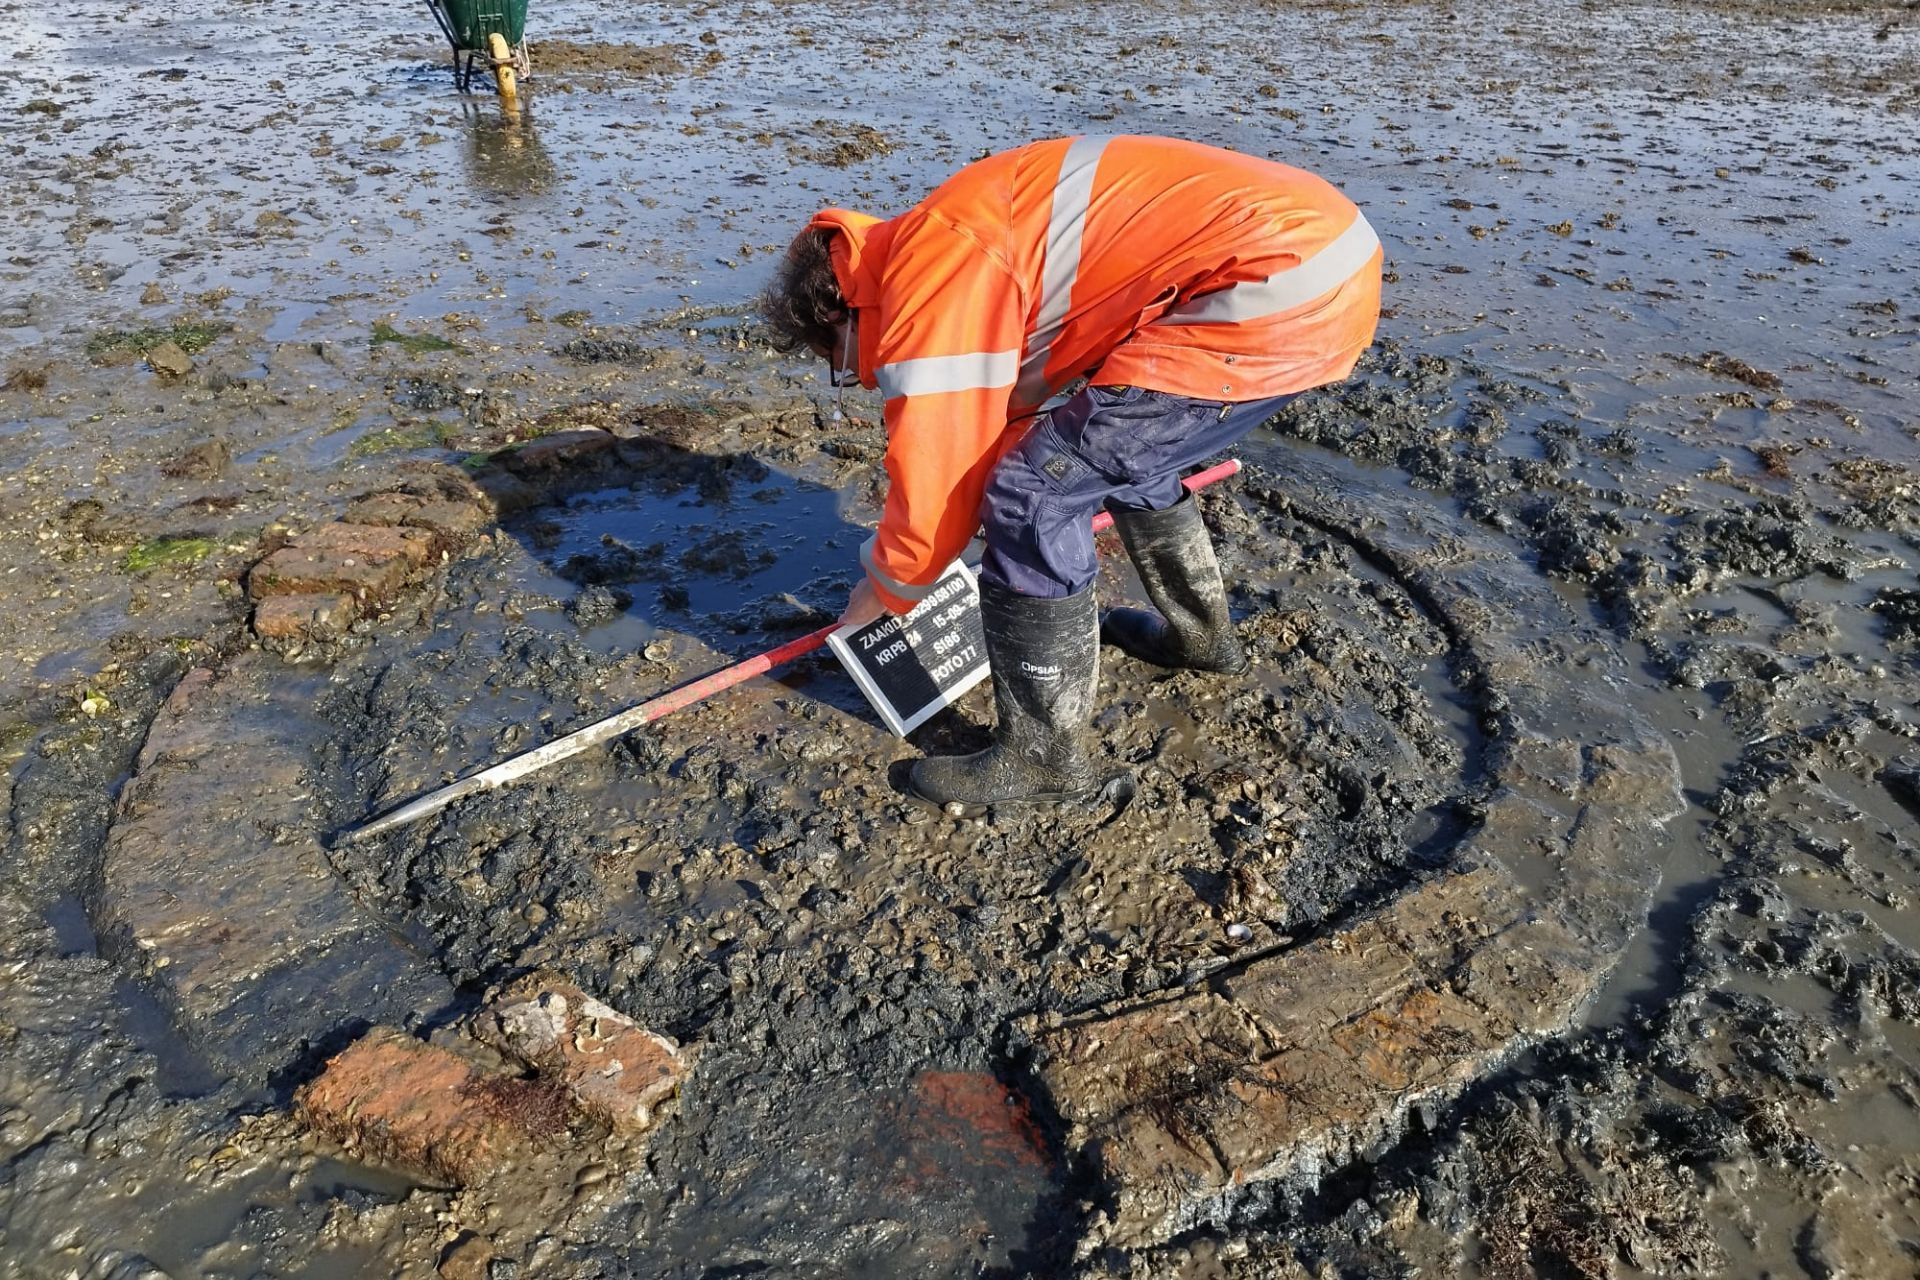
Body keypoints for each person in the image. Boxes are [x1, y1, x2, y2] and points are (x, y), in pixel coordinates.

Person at [759, 134, 1381, 811]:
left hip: (1267, 291)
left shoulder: (926, 277)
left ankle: (1045, 764)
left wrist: (885, 591)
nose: (866, 379)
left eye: (848, 363)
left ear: (842, 311)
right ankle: (1200, 638)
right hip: (1324, 260)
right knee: (1117, 450)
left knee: (1032, 496)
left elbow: (937, 476)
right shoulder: (951, 236)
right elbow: (1012, 416)